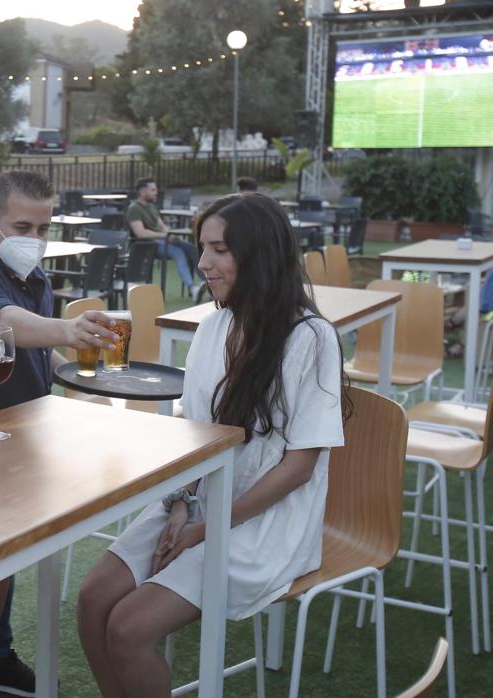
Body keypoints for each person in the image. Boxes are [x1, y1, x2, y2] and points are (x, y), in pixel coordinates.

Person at [76, 192, 348, 698]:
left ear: (259, 254)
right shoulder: (213, 327)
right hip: (198, 503)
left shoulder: (310, 338)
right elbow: (195, 437)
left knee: (128, 629)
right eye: (203, 248)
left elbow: (299, 468)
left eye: (219, 249)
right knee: (94, 601)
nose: (203, 263)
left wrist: (204, 529)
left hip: (264, 522)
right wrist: (180, 506)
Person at [0, 170, 119, 697]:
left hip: (21, 438)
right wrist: (69, 329)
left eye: (43, 227)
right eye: (22, 226)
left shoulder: (33, 274)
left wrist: (73, 372)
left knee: (3, 563)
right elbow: (6, 324)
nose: (34, 239)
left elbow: (34, 345)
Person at [126, 177, 203, 296]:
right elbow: (140, 233)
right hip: (147, 245)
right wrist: (164, 236)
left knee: (192, 248)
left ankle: (206, 283)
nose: (156, 192)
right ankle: (192, 288)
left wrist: (171, 235)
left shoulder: (151, 207)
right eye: (152, 190)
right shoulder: (134, 209)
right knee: (178, 252)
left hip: (161, 241)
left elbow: (163, 227)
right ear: (143, 192)